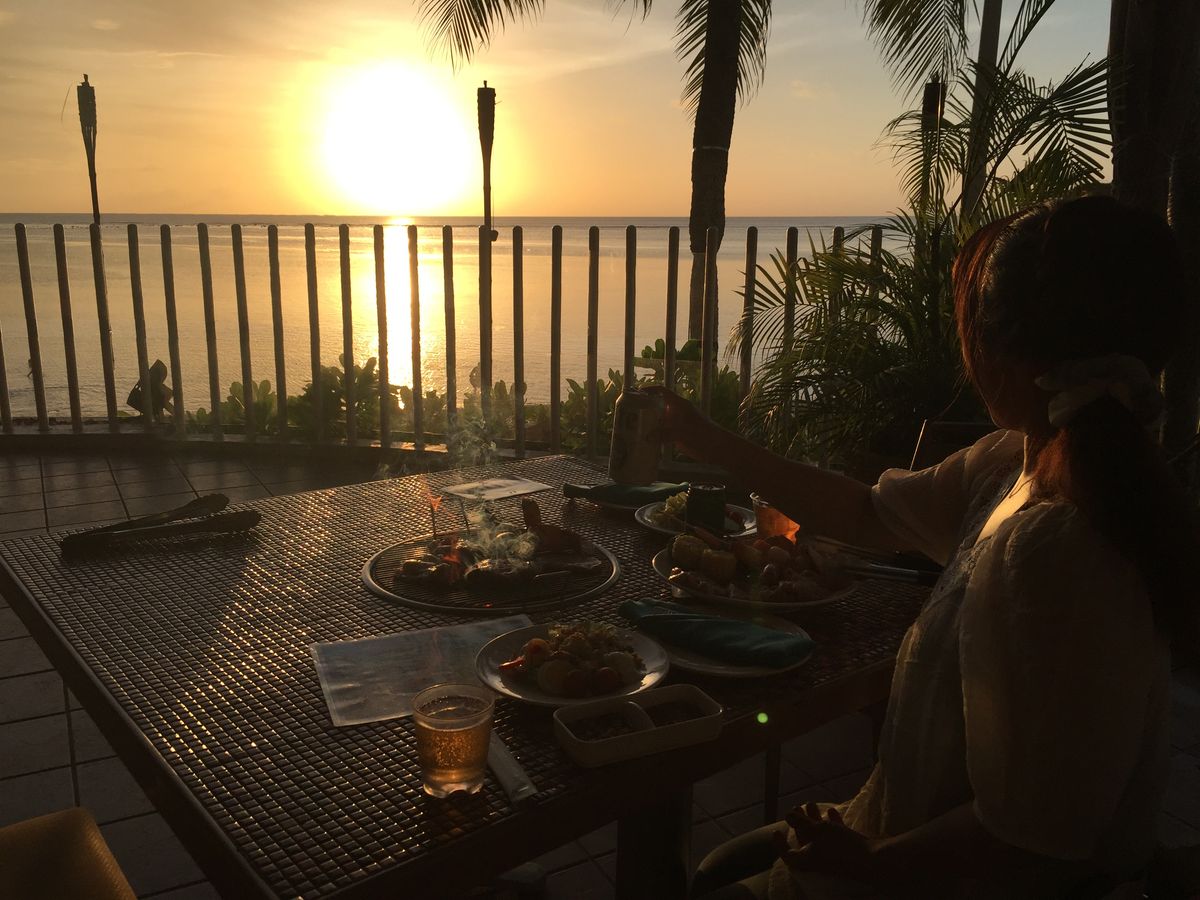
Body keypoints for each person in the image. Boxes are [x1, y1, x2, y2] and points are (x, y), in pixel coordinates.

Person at [647, 196, 1200, 899]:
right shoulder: (1012, 464)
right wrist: (708, 440)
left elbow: (1038, 840)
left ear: (1005, 355)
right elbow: (865, 512)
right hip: (893, 831)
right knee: (716, 869)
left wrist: (869, 862)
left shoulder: (1061, 549)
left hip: (935, 876)